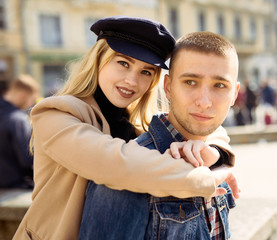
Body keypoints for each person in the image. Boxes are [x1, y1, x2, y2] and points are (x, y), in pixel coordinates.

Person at [13, 16, 239, 240]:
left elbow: (201, 124)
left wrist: (214, 152)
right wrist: (213, 177)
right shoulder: (56, 114)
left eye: (146, 71)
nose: (132, 80)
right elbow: (118, 163)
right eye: (123, 63)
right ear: (99, 59)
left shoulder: (136, 122)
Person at [79, 31, 240, 240]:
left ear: (234, 94)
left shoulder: (213, 156)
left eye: (219, 85)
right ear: (168, 87)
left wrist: (219, 156)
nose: (204, 102)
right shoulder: (126, 176)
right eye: (190, 82)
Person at [0, 74, 39, 189]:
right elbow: (27, 159)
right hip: (14, 186)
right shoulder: (18, 120)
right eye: (31, 99)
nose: (30, 104)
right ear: (22, 95)